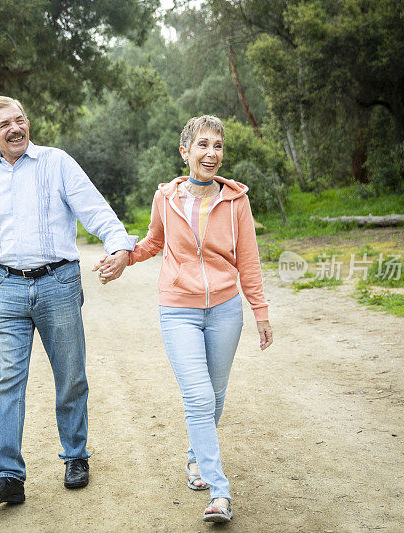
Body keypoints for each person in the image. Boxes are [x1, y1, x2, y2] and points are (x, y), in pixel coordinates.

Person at [95, 115, 273, 523]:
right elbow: (154, 241)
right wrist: (125, 255)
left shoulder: (236, 200)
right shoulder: (167, 197)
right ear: (185, 151)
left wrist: (260, 312)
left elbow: (248, 261)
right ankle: (219, 491)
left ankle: (195, 456)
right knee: (198, 396)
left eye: (218, 146)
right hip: (178, 309)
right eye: (203, 145)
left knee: (217, 394)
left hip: (226, 309)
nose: (212, 154)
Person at [0, 96, 134, 504]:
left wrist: (119, 246)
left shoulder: (56, 162)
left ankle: (75, 456)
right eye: (5, 125)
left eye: (20, 119)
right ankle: (7, 476)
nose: (15, 128)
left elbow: (95, 210)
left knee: (70, 375)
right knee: (7, 380)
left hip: (59, 283)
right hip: (7, 287)